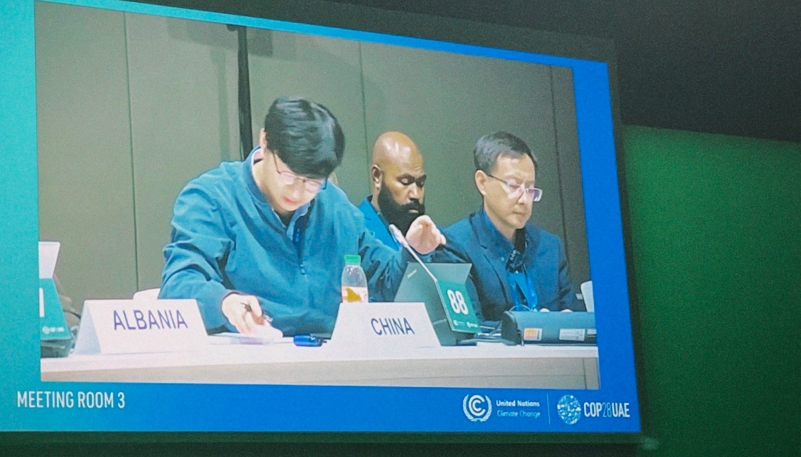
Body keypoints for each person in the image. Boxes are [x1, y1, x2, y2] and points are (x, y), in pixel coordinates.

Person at [160, 96, 445, 337]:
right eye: (288, 175)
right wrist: (224, 302)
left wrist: (413, 252)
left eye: (312, 183)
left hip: (331, 361)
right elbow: (179, 282)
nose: (297, 193)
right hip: (251, 363)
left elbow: (383, 281)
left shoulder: (334, 206)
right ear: (265, 141)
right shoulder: (212, 198)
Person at [441, 132, 582, 322]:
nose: (524, 200)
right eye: (514, 186)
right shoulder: (456, 245)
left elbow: (577, 322)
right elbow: (471, 329)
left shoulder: (549, 247)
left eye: (530, 188)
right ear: (482, 182)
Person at [359, 131, 427, 250]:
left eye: (420, 183)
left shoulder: (430, 238)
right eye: (405, 182)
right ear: (377, 176)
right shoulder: (355, 231)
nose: (416, 194)